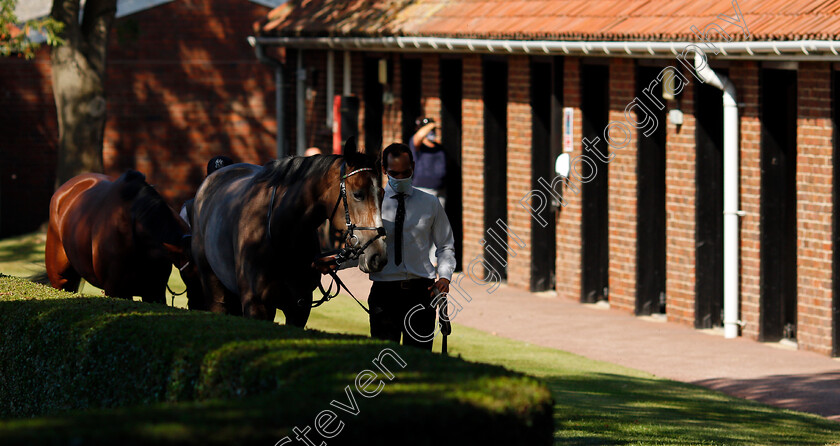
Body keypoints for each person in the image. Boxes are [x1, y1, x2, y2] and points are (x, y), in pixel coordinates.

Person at [367, 143, 456, 351]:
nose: (400, 178)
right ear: (383, 170)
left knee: (419, 360)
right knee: (383, 358)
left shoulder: (430, 202)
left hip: (421, 292)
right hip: (384, 292)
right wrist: (336, 262)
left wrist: (444, 276)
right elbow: (363, 247)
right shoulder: (373, 204)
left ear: (413, 167)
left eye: (405, 172)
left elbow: (445, 245)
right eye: (394, 173)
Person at [179, 155, 234, 228]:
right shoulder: (191, 209)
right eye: (215, 179)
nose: (220, 183)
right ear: (206, 181)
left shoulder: (242, 208)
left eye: (225, 179)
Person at [409, 117, 447, 208]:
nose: (431, 131)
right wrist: (432, 124)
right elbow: (419, 136)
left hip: (440, 190)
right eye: (429, 129)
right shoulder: (417, 145)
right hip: (423, 190)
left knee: (438, 220)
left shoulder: (438, 146)